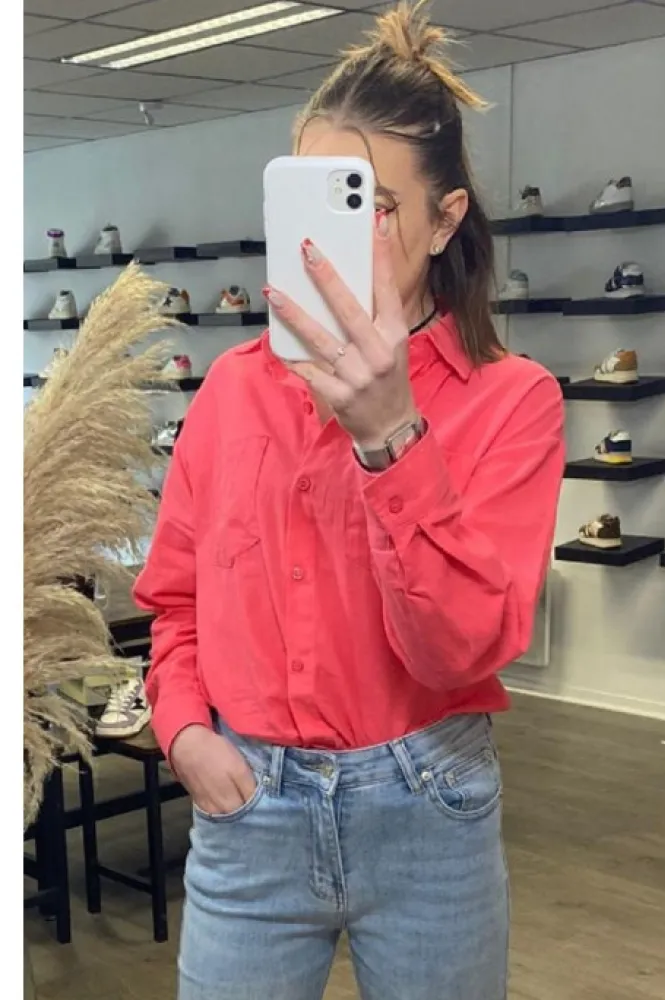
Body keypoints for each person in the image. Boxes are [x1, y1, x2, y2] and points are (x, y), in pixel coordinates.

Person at [133, 3, 565, 997]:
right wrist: (185, 728)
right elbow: (178, 598)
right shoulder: (233, 390)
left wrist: (390, 436)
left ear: (444, 220)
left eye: (368, 206)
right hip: (249, 807)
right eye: (307, 201)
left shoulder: (513, 401)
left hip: (427, 808)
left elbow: (460, 651)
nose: (328, 242)